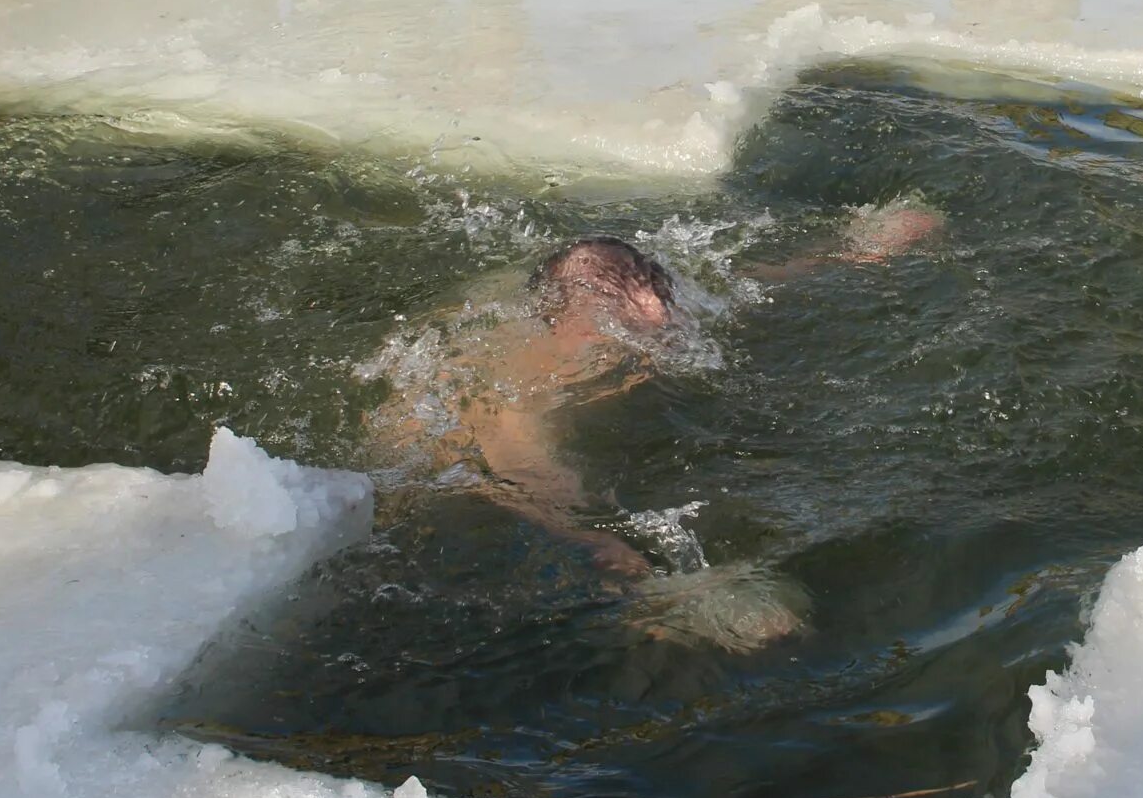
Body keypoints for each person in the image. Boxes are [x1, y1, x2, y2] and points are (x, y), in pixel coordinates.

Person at [369, 216, 943, 645]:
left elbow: (744, 284)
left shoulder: (634, 313)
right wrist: (604, 544)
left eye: (666, 310)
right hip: (420, 492)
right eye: (645, 323)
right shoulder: (532, 380)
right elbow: (511, 469)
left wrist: (857, 251)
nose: (668, 331)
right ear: (581, 323)